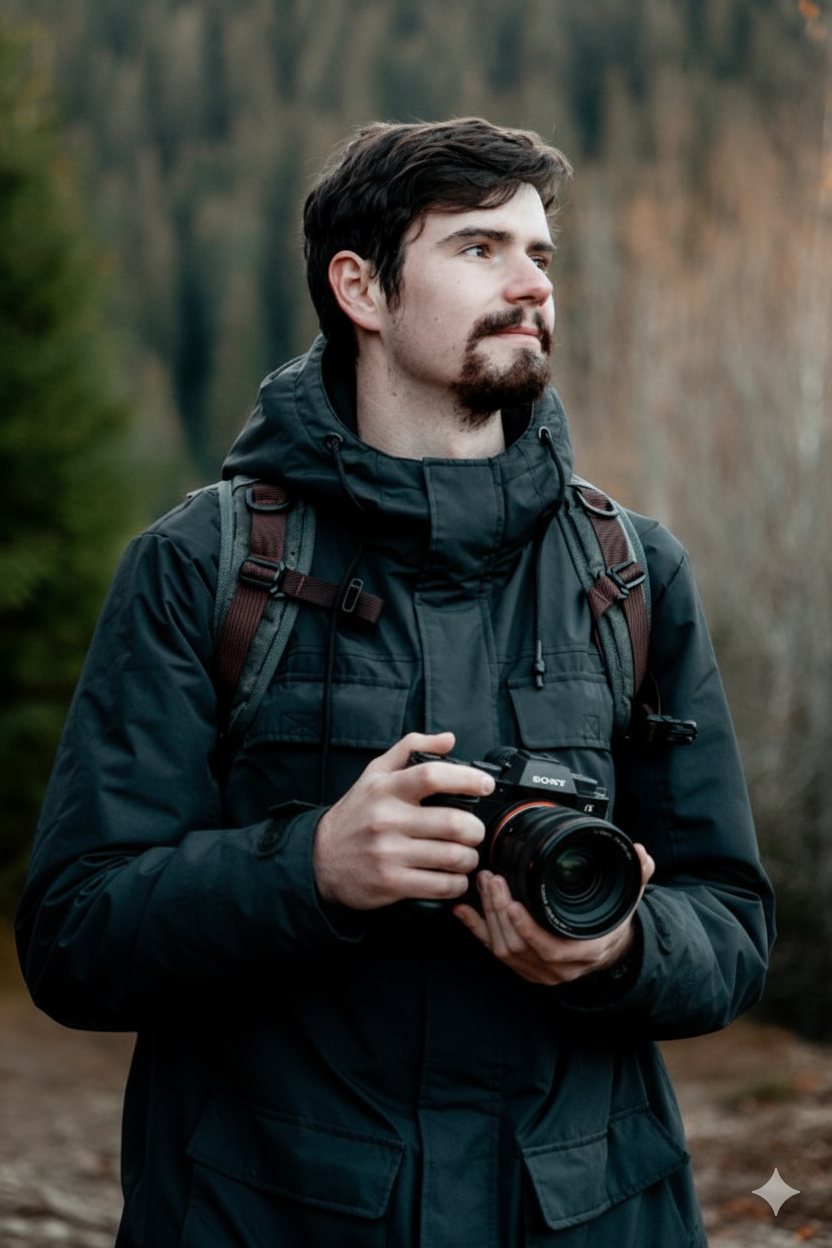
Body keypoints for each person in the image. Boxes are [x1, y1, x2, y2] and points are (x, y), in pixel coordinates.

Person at [17, 118, 774, 1247]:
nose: (529, 284)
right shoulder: (206, 566)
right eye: (478, 249)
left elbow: (732, 924)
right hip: (267, 1212)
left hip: (585, 1216)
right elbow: (75, 939)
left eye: (540, 253)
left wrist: (617, 948)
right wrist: (310, 868)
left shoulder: (631, 574)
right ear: (360, 289)